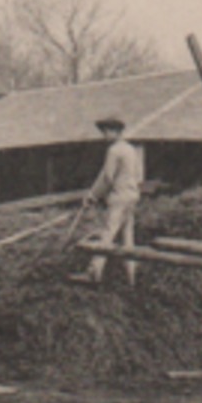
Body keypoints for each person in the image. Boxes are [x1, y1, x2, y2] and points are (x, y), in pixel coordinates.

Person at [69, 116, 142, 286]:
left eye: (107, 131)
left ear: (116, 132)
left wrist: (93, 196)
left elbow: (108, 177)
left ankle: (94, 272)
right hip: (132, 195)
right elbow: (136, 176)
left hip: (119, 196)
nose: (105, 135)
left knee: (107, 234)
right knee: (127, 237)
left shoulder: (114, 150)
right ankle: (132, 277)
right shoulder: (130, 149)